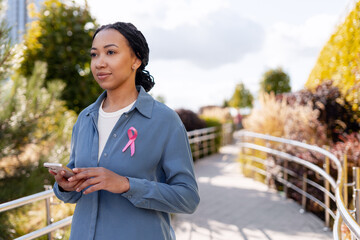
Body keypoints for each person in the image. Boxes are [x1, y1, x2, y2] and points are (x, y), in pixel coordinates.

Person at [50, 22, 200, 240]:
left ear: (136, 60)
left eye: (110, 52)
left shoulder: (165, 120)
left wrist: (126, 185)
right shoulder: (85, 118)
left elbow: (188, 198)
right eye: (94, 54)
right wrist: (65, 186)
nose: (99, 63)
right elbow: (74, 192)